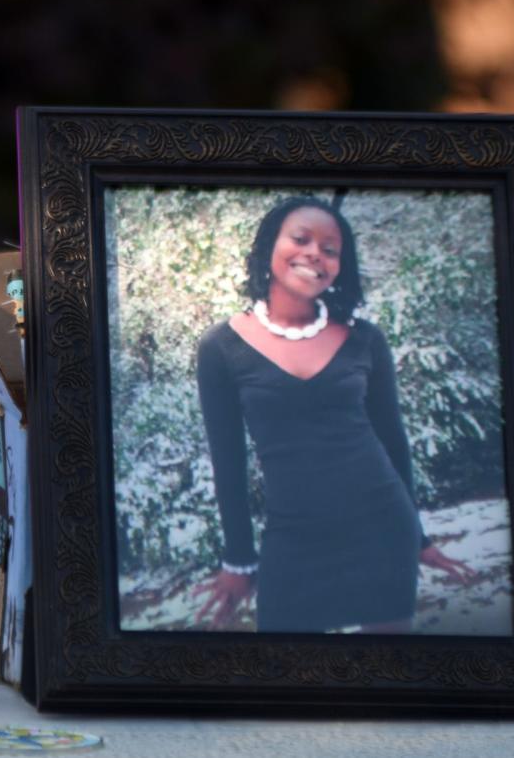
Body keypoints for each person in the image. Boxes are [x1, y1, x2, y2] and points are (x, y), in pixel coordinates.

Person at [194, 196, 472, 633]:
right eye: (301, 239)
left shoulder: (365, 339)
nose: (314, 255)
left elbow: (393, 442)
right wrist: (239, 560)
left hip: (383, 529)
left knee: (386, 682)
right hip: (293, 538)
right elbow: (227, 461)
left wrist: (417, 537)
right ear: (270, 245)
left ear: (340, 266)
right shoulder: (222, 347)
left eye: (330, 249)